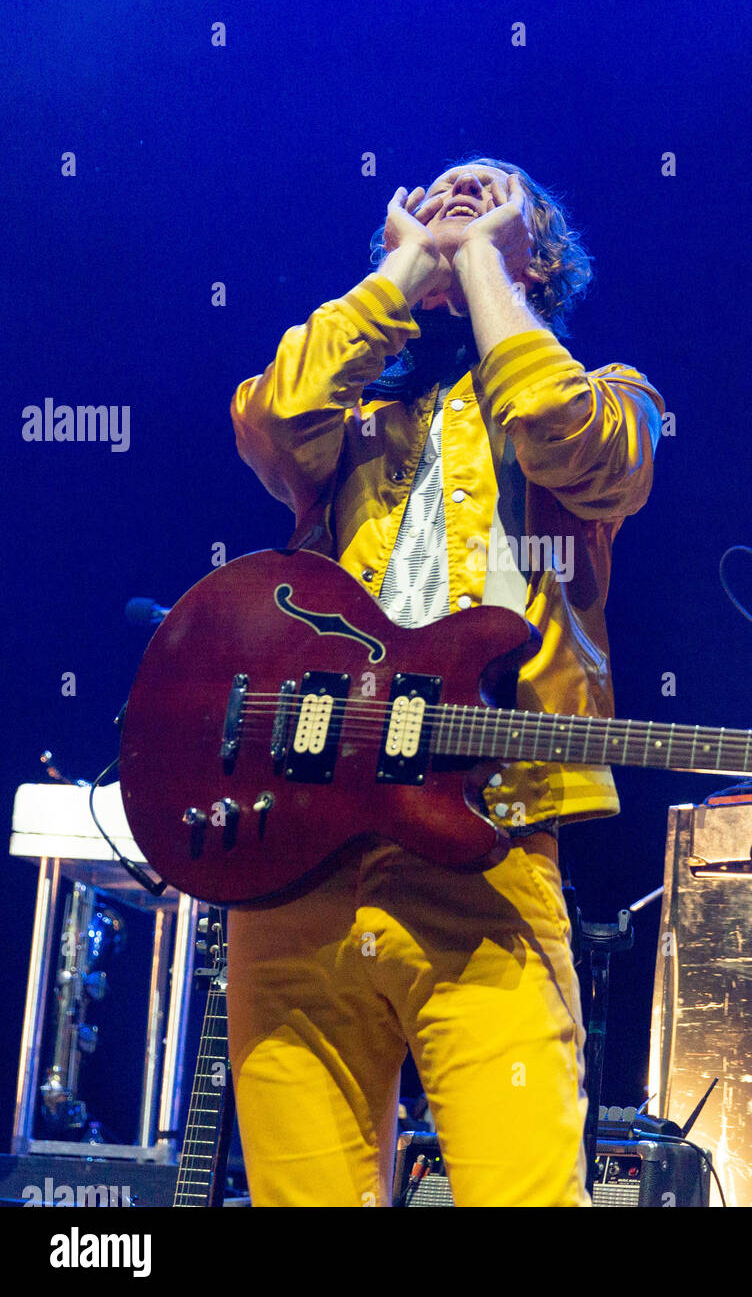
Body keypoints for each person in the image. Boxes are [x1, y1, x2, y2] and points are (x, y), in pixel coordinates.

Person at [226, 157, 665, 1207]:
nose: (456, 191)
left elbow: (564, 435)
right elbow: (272, 413)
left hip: (488, 855)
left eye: (489, 193)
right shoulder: (350, 425)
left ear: (537, 252)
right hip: (299, 868)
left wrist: (481, 269)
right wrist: (400, 272)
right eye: (435, 194)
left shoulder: (616, 401)